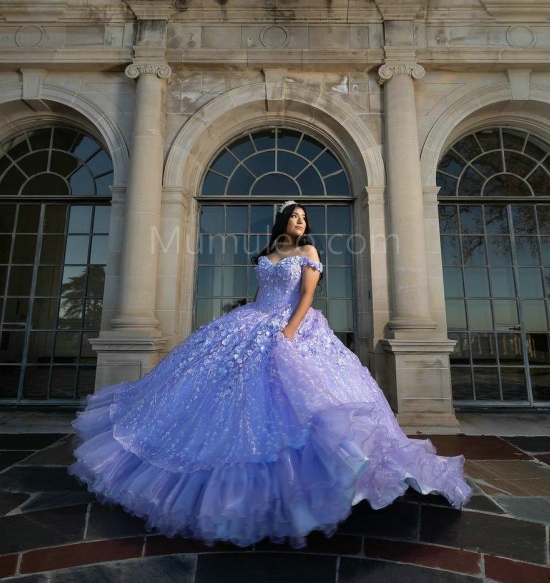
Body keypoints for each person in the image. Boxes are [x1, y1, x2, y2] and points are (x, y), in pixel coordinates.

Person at [68, 200, 472, 548]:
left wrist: (289, 332)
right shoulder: (272, 250)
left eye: (303, 217)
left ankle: (326, 480)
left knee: (304, 401)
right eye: (294, 217)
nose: (300, 221)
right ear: (282, 222)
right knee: (220, 394)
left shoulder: (309, 250)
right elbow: (264, 294)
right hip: (253, 318)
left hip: (291, 326)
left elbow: (308, 295)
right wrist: (251, 318)